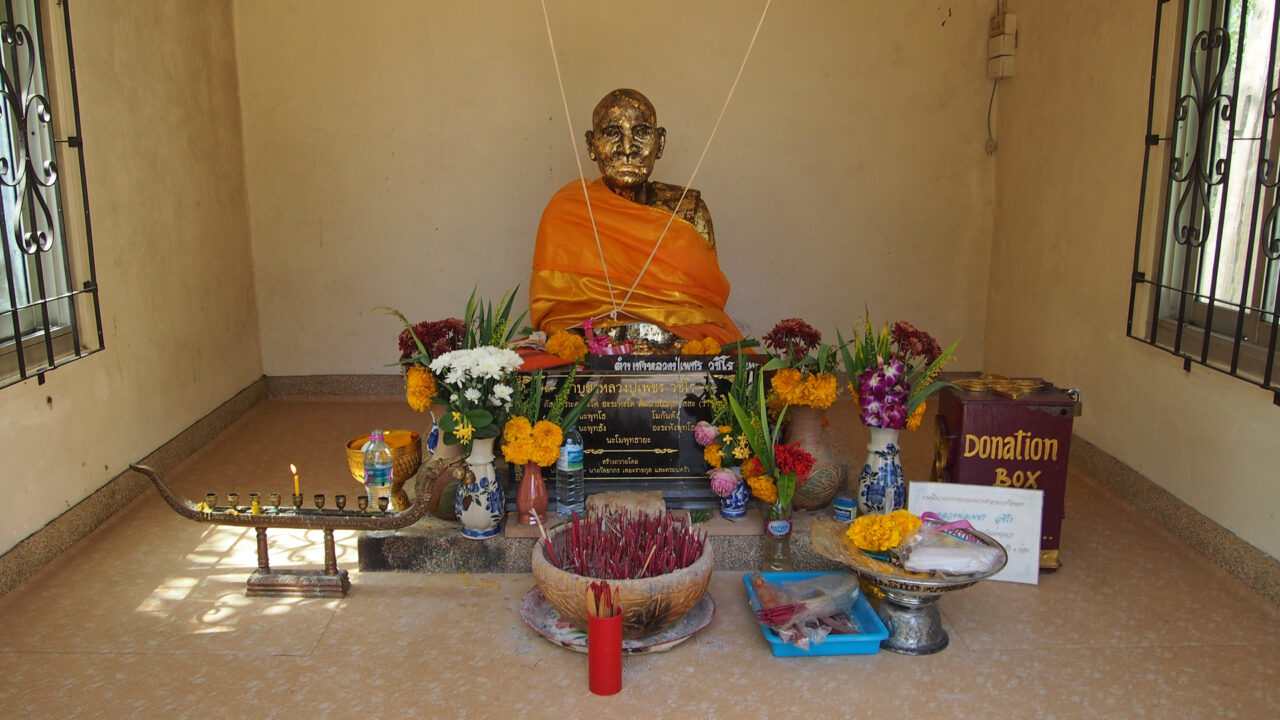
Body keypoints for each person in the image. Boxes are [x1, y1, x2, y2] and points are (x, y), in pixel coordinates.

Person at [529, 89, 743, 346]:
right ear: (591, 145)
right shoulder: (566, 213)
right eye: (611, 133)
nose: (627, 148)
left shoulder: (687, 212)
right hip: (594, 362)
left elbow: (704, 311)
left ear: (661, 142)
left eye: (641, 132)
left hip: (678, 360)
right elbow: (557, 320)